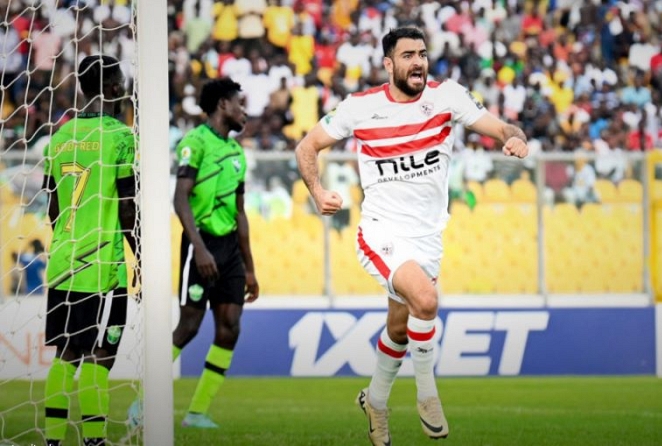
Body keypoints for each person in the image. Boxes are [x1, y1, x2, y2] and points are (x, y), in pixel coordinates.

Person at [295, 27, 528, 446]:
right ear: (389, 64)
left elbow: (503, 129)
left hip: (427, 238)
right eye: (408, 55)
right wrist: (317, 191)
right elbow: (306, 147)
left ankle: (375, 402)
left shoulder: (447, 97)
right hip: (381, 232)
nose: (418, 61)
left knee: (400, 328)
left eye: (422, 54)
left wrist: (516, 140)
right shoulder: (361, 108)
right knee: (426, 299)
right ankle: (427, 395)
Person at [42, 54, 137, 446]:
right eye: (122, 82)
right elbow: (127, 207)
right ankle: (94, 440)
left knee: (66, 353)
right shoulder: (120, 136)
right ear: (114, 87)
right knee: (101, 354)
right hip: (102, 264)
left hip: (63, 261)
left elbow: (52, 208)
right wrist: (141, 255)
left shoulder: (59, 137)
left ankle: (51, 440)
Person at [171, 78, 259, 428]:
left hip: (229, 249)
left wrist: (249, 268)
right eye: (240, 104)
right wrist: (199, 249)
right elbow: (180, 198)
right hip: (201, 245)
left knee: (230, 327)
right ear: (223, 104)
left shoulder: (237, 153)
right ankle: (143, 404)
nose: (244, 112)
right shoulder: (195, 142)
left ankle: (197, 412)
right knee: (188, 327)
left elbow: (240, 213)